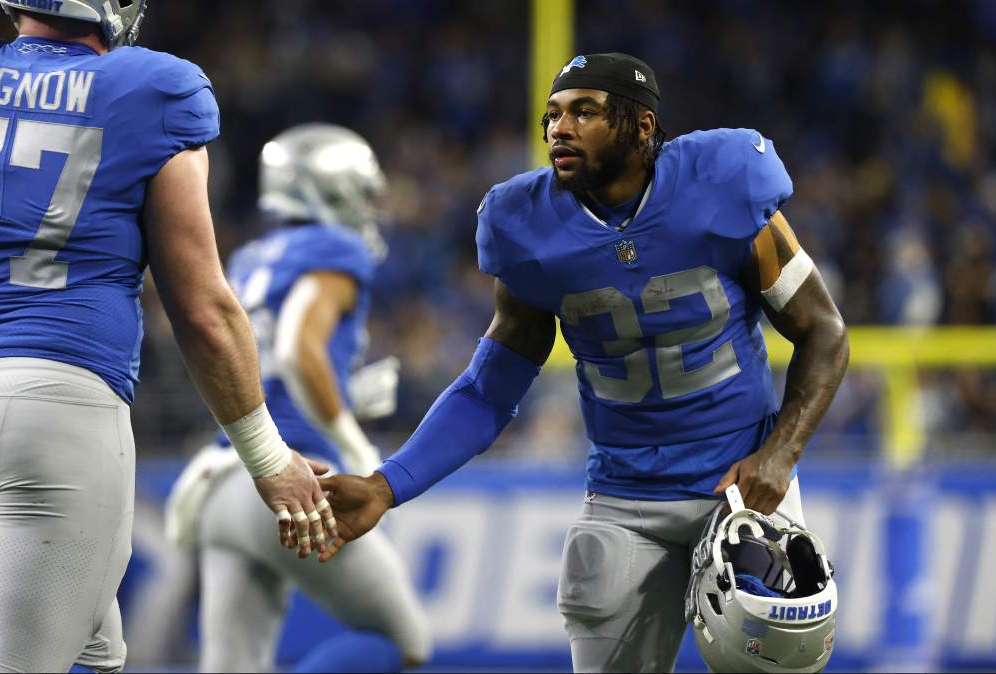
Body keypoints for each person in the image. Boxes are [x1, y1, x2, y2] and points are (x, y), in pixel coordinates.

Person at [320, 53, 850, 673]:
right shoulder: (528, 228)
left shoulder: (724, 183)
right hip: (626, 501)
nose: (559, 129)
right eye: (552, 115)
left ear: (643, 127)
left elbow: (823, 331)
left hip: (743, 491)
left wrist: (780, 455)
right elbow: (489, 392)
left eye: (585, 112)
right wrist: (386, 486)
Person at [0, 3, 335, 671]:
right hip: (59, 416)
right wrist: (268, 457)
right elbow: (202, 310)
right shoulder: (152, 88)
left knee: (96, 655)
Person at [165, 124, 432, 672]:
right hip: (298, 478)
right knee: (404, 644)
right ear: (331, 189)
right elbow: (294, 350)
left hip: (226, 478)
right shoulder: (335, 248)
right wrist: (352, 440)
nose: (368, 206)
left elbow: (259, 364)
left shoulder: (252, 257)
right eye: (360, 191)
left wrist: (345, 394)